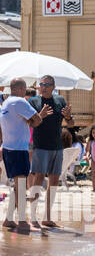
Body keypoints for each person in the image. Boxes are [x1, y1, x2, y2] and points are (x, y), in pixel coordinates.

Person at [2, 78, 51, 232]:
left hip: (8, 148)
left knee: (17, 186)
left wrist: (33, 118)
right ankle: (22, 220)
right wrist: (39, 116)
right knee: (21, 185)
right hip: (18, 150)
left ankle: (9, 219)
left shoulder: (6, 102)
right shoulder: (20, 102)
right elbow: (36, 121)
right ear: (22, 88)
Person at [28, 75, 73, 227]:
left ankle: (47, 217)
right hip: (40, 146)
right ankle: (33, 215)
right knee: (38, 178)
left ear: (53, 86)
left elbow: (71, 123)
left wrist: (68, 117)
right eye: (41, 84)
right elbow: (31, 124)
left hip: (57, 146)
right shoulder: (34, 101)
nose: (44, 86)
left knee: (54, 181)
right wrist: (40, 116)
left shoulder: (60, 100)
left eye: (47, 84)